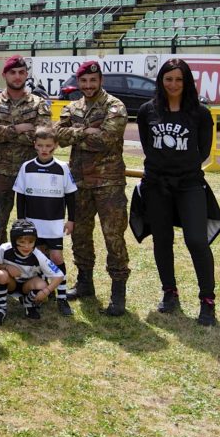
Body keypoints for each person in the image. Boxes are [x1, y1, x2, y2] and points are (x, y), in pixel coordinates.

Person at [136, 58, 220, 326]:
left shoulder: (200, 113)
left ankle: (207, 301)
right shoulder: (147, 111)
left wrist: (181, 168)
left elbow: (204, 150)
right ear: (161, 81)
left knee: (196, 240)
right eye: (168, 79)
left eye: (179, 79)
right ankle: (169, 292)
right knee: (162, 240)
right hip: (156, 185)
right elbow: (147, 146)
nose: (173, 84)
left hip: (189, 184)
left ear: (187, 82)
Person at [56, 60, 130, 316]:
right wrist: (87, 131)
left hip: (109, 182)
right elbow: (59, 136)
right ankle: (85, 282)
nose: (88, 86)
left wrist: (76, 132)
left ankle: (118, 291)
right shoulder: (72, 106)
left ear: (101, 81)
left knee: (113, 236)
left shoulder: (115, 106)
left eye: (93, 81)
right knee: (80, 234)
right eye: (84, 81)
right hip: (79, 183)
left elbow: (108, 139)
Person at [0, 55, 52, 240]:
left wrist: (5, 133)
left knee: (34, 224)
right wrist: (18, 129)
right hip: (0, 173)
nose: (17, 77)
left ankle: (30, 267)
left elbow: (42, 136)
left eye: (21, 72)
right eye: (13, 72)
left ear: (26, 74)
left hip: (30, 173)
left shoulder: (39, 104)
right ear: (5, 75)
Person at [12, 126, 78, 316]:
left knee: (56, 258)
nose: (44, 149)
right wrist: (21, 221)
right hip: (33, 224)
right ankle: (40, 293)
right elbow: (21, 196)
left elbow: (70, 196)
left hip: (54, 223)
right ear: (35, 145)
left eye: (48, 145)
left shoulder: (62, 168)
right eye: (40, 145)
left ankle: (62, 297)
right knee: (38, 258)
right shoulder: (27, 167)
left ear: (56, 146)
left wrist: (71, 220)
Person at [0, 220, 65, 322]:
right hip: (11, 284)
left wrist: (46, 291)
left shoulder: (38, 255)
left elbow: (59, 275)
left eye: (31, 242)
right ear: (13, 240)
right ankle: (0, 309)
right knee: (0, 275)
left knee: (42, 285)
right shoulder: (4, 249)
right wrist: (6, 266)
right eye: (21, 242)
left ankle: (29, 304)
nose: (27, 246)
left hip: (28, 287)